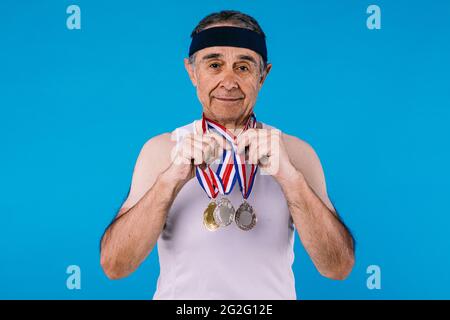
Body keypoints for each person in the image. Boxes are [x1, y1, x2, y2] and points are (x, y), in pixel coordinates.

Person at [100, 10, 355, 300]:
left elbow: (338, 267)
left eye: (243, 67)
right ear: (192, 72)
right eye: (215, 65)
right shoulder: (162, 150)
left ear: (263, 75)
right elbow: (115, 266)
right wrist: (169, 180)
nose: (229, 81)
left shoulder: (296, 153)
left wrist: (291, 178)